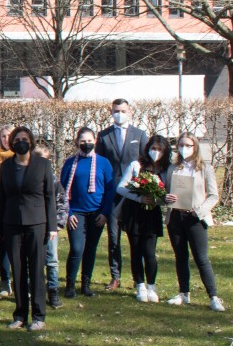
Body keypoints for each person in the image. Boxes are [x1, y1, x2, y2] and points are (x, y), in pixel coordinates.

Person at [0, 127, 56, 331]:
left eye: (24, 139)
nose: (21, 142)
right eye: (17, 139)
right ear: (11, 143)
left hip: (37, 222)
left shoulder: (43, 164)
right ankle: (20, 314)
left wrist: (52, 226)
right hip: (12, 223)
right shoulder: (7, 166)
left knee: (36, 269)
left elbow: (50, 196)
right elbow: (1, 197)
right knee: (17, 269)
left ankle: (38, 315)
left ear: (31, 141)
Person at [163, 134, 225, 311]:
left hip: (195, 218)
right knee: (180, 256)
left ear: (195, 147)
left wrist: (200, 211)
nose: (184, 148)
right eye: (181, 145)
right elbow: (166, 192)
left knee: (201, 258)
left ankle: (213, 296)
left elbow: (213, 196)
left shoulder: (205, 168)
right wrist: (166, 198)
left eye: (188, 145)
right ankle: (184, 293)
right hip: (175, 216)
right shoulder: (173, 168)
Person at [95, 99, 149, 291]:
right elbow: (99, 164)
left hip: (132, 194)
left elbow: (145, 163)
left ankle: (138, 277)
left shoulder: (139, 135)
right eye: (116, 111)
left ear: (130, 111)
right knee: (114, 238)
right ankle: (115, 276)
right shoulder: (103, 136)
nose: (120, 113)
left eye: (123, 110)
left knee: (135, 239)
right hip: (112, 194)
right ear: (111, 112)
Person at [61, 127, 115, 298]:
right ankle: (70, 284)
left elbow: (110, 190)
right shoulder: (70, 163)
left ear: (95, 141)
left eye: (89, 140)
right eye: (83, 141)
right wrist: (68, 214)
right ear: (77, 142)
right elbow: (62, 191)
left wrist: (105, 213)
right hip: (76, 213)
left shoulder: (104, 163)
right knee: (77, 249)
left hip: (97, 213)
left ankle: (86, 284)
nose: (86, 144)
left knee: (90, 249)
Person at [116, 135, 171, 304]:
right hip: (135, 213)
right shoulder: (136, 165)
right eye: (153, 149)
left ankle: (151, 285)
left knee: (149, 252)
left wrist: (157, 199)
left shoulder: (165, 170)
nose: (156, 152)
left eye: (160, 150)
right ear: (148, 149)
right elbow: (121, 188)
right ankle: (140, 285)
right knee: (136, 250)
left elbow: (166, 194)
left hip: (152, 214)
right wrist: (139, 198)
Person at [33, 144, 67, 308]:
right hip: (33, 225)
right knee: (32, 259)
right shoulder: (29, 180)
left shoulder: (54, 183)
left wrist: (58, 224)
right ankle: (33, 288)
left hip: (50, 227)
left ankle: (53, 290)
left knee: (52, 260)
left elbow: (62, 204)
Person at [0, 124, 16, 295]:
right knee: (0, 246)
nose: (6, 139)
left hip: (14, 207)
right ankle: (5, 280)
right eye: (3, 136)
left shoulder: (21, 157)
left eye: (9, 136)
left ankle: (20, 280)